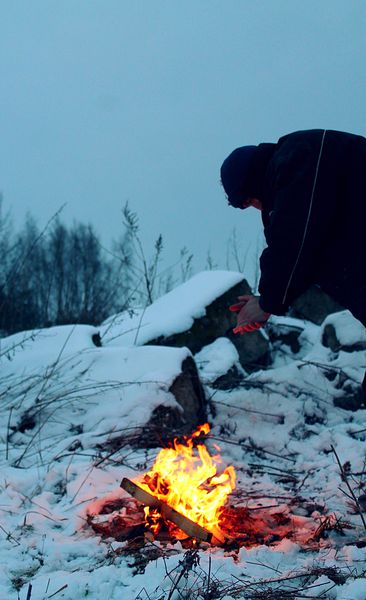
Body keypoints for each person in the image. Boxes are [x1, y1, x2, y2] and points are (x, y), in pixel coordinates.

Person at [220, 129, 366, 338]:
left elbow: (293, 237)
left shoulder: (299, 156)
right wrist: (267, 301)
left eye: (247, 200)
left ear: (253, 179)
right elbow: (301, 254)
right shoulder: (298, 182)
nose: (252, 206)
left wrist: (268, 301)